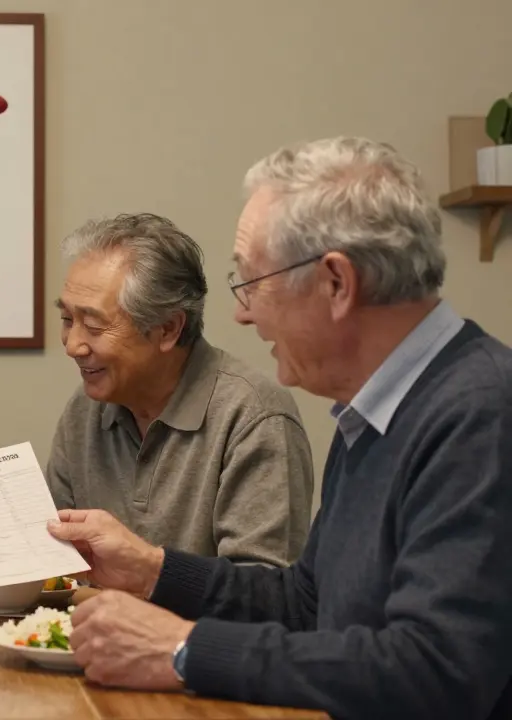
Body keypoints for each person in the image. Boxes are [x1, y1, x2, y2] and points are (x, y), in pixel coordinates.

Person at [47, 137, 512, 720]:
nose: (243, 313)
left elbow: (436, 671)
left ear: (336, 283)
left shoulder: (480, 414)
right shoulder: (371, 414)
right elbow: (305, 603)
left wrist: (182, 649)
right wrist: (152, 570)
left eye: (253, 282)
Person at [47, 212, 314, 566]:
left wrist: (147, 571)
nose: (72, 345)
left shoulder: (254, 416)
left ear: (168, 329)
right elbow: (56, 563)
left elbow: (263, 592)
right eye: (67, 320)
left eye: (94, 325)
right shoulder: (85, 410)